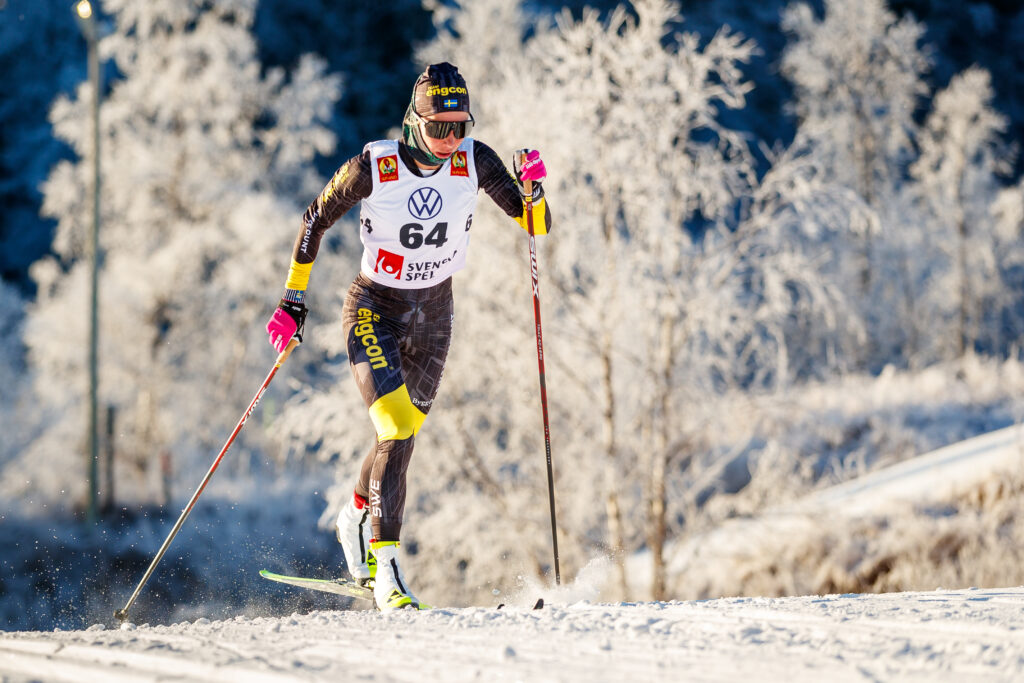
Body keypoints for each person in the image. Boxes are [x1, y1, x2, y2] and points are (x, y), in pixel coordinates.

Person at [264, 63, 551, 611]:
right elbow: (314, 219)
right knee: (395, 428)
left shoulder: (475, 161)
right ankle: (387, 573)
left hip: (436, 315)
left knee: (400, 436)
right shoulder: (375, 167)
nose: (449, 139)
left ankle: (354, 517)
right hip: (375, 310)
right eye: (439, 127)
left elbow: (535, 224)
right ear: (413, 121)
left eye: (459, 127)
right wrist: (292, 299)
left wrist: (534, 191)